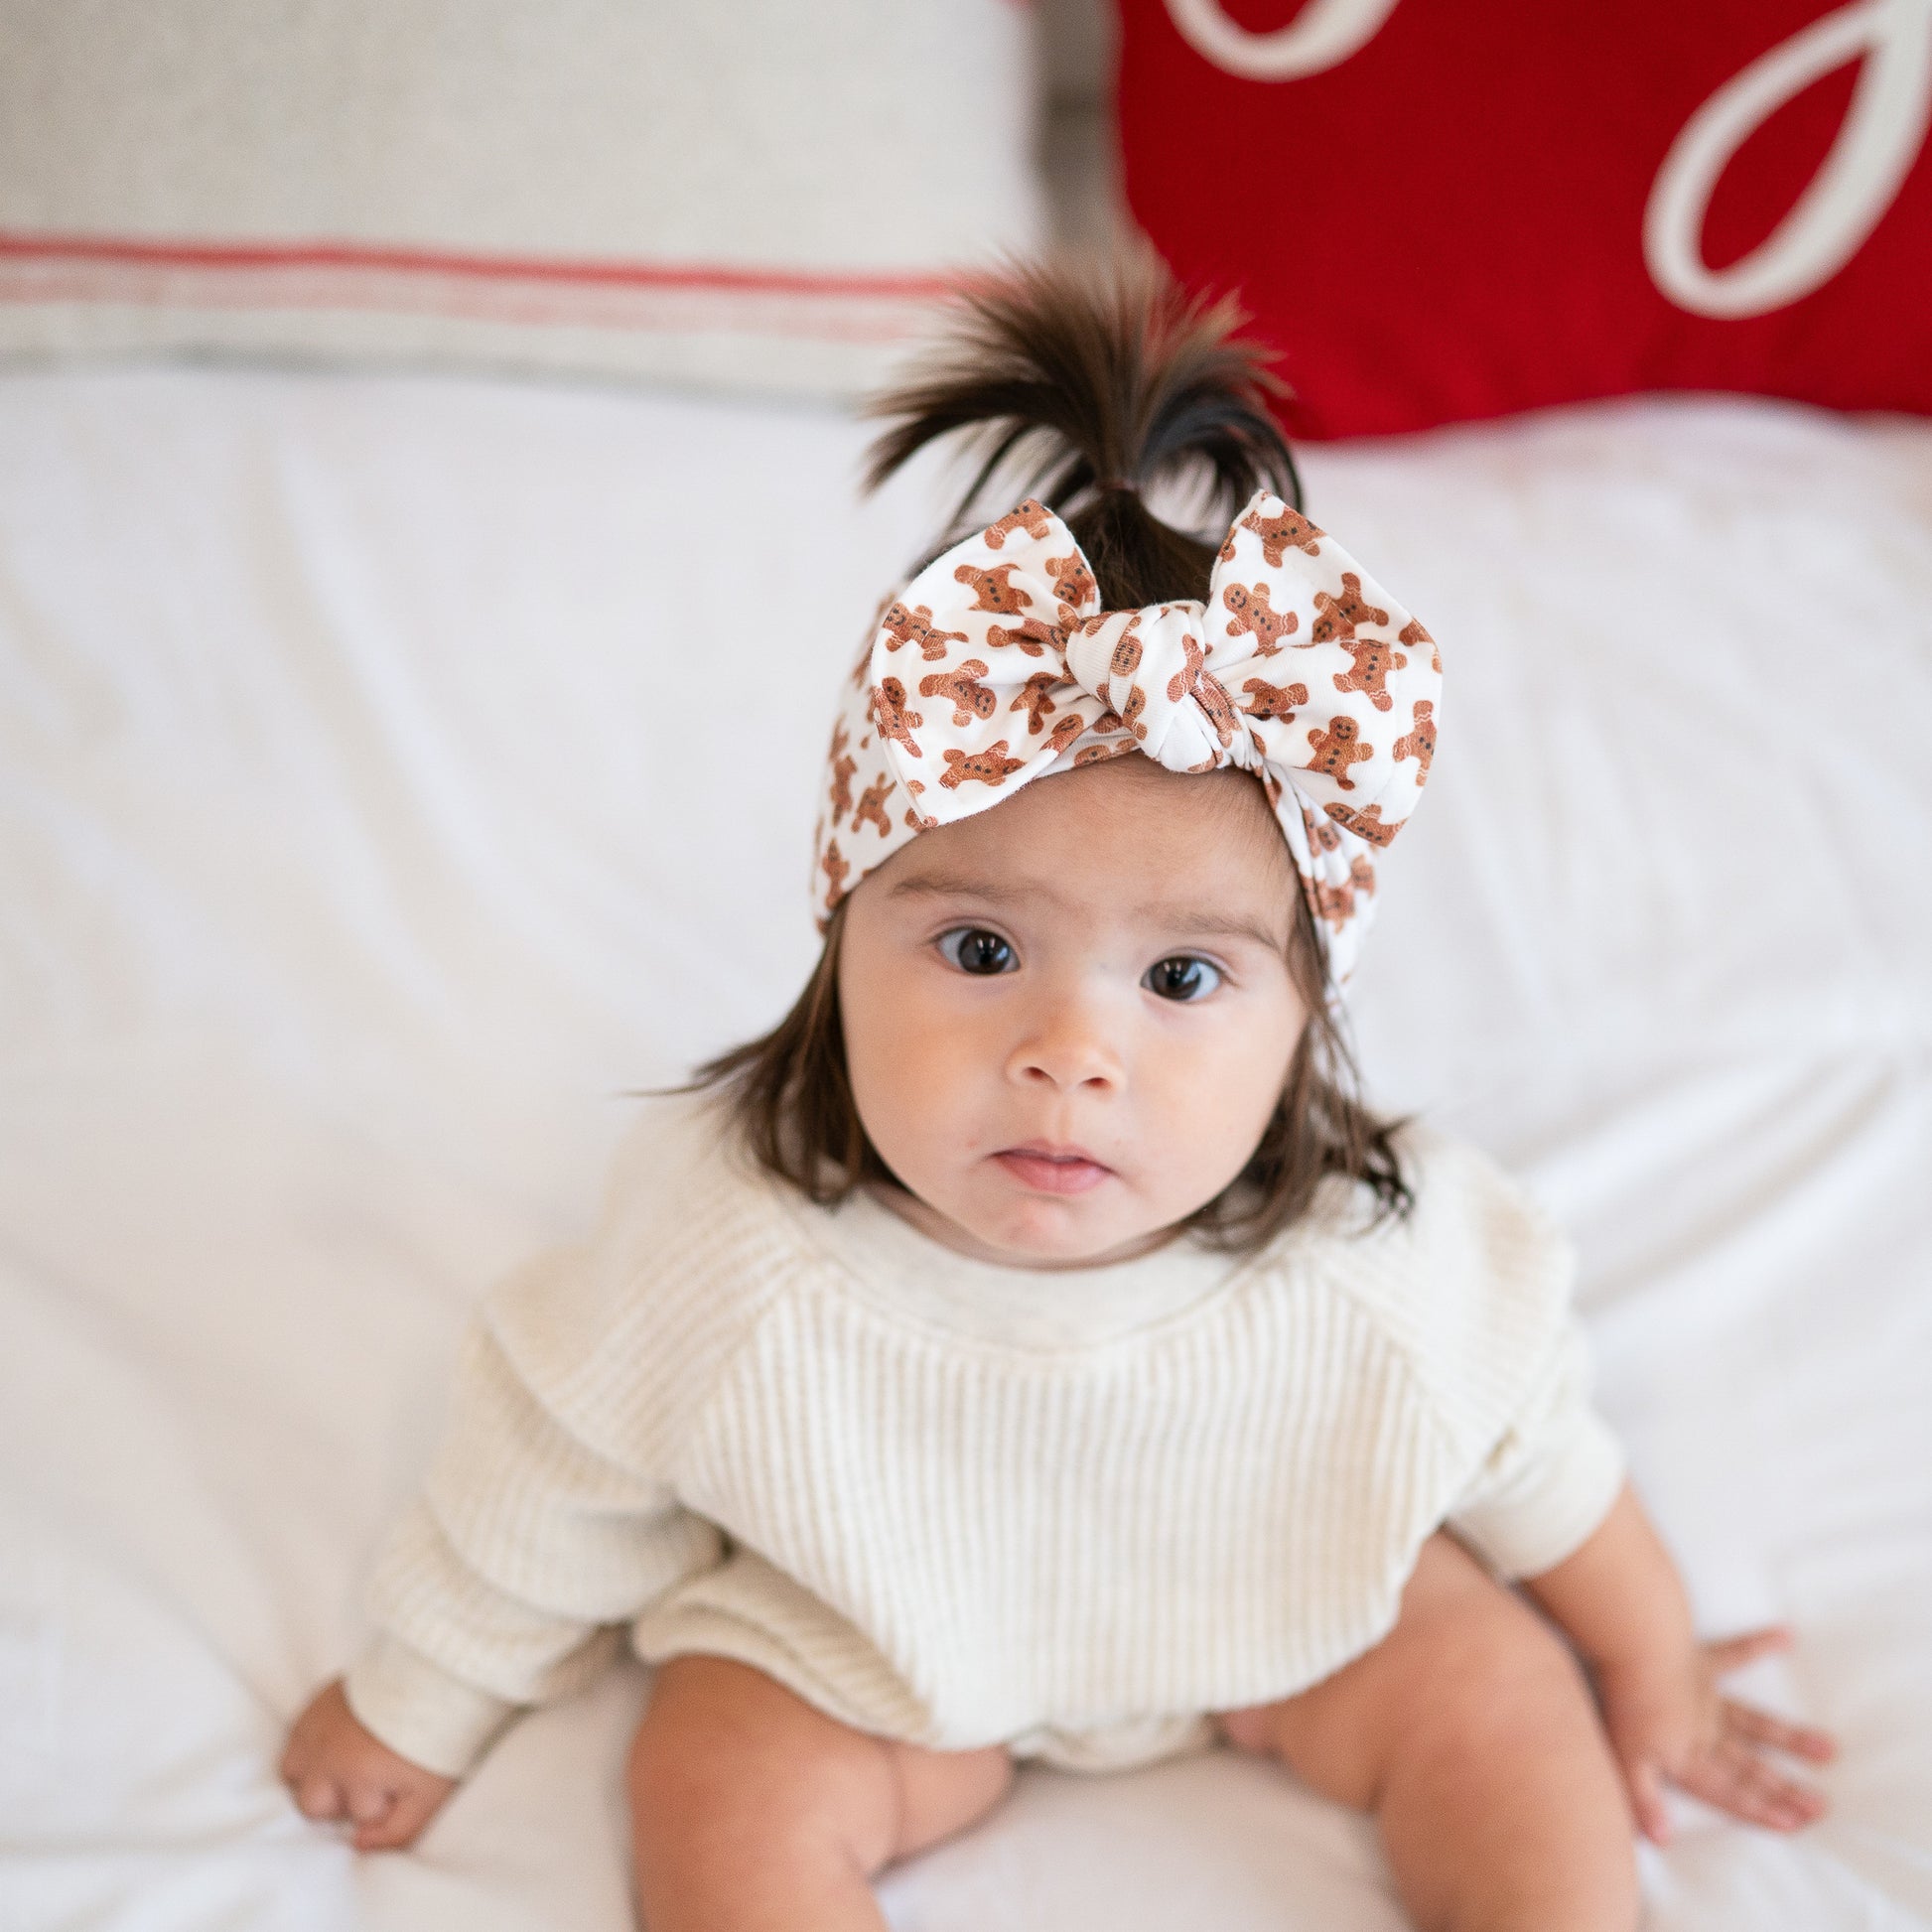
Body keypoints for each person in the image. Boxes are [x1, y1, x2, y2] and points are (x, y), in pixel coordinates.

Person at [280, 258, 1835, 1932]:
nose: (1069, 1053)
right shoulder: (724, 1252)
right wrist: (415, 1697)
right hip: (870, 1640)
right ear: (839, 933)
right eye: (977, 947)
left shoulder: (1382, 1262)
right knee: (717, 1775)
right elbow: (545, 1480)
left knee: (1496, 1695)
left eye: (1181, 980)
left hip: (1286, 1611)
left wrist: (1648, 1661)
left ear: (1303, 1014)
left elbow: (1543, 1459)